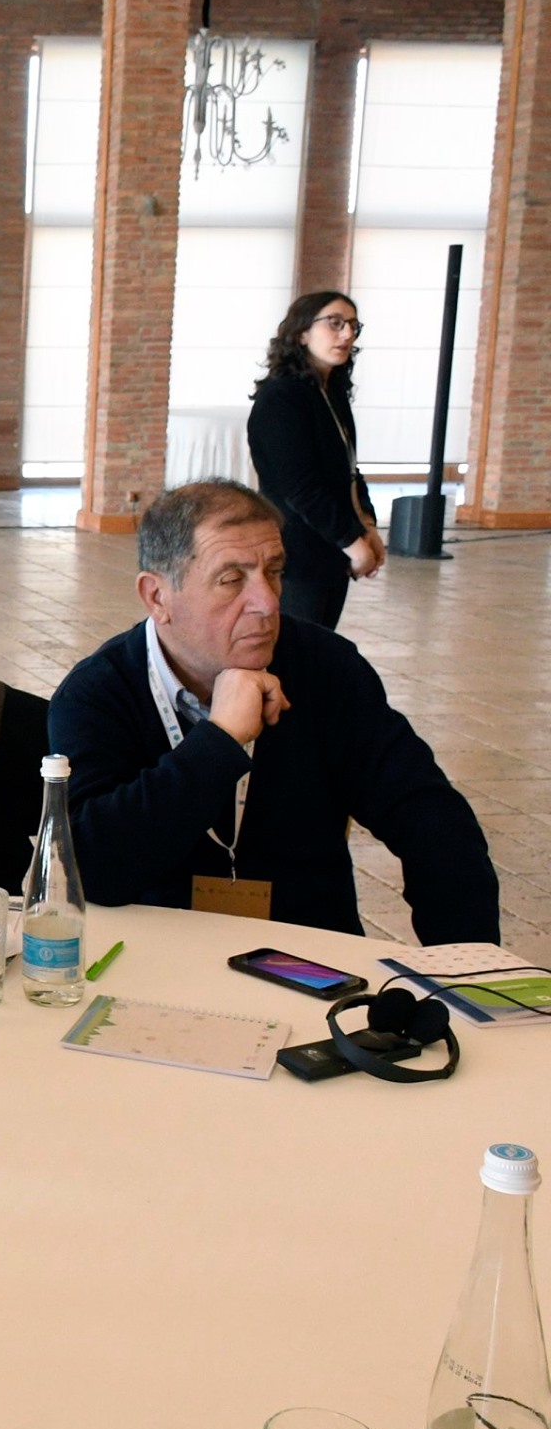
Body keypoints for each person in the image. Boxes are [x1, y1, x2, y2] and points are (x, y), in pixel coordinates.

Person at [47, 480, 499, 943]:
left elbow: (434, 823)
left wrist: (464, 966)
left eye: (274, 572)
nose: (267, 602)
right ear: (158, 597)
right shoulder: (98, 693)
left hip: (309, 954)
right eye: (232, 580)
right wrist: (221, 738)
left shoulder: (327, 668)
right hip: (156, 954)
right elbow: (89, 869)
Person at [246, 290, 385, 629]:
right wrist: (352, 543)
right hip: (296, 554)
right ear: (302, 333)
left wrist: (367, 525)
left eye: (353, 325)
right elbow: (300, 488)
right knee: (295, 650)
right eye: (334, 323)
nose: (347, 334)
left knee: (319, 648)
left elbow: (348, 470)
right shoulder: (281, 398)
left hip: (329, 548)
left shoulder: (331, 390)